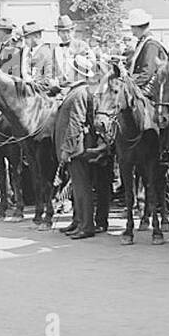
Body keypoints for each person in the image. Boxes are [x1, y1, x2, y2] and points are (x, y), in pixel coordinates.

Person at [56, 55, 107, 238]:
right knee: (76, 187)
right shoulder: (77, 91)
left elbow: (75, 123)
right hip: (76, 147)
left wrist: (67, 149)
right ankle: (78, 222)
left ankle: (86, 226)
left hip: (77, 148)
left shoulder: (79, 93)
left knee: (81, 187)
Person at [125, 8, 167, 91]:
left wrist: (129, 84)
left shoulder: (151, 45)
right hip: (142, 83)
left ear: (137, 27)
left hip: (150, 89)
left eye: (132, 28)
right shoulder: (143, 42)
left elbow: (147, 73)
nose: (132, 32)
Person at [52, 14, 91, 85]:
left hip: (79, 84)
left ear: (73, 31)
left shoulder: (81, 45)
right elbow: (53, 70)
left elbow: (88, 67)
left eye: (68, 31)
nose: (66, 35)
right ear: (58, 33)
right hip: (61, 86)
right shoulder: (56, 50)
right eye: (63, 32)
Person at [19, 21, 56, 90]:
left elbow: (48, 78)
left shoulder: (46, 52)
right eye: (24, 38)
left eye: (27, 38)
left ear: (37, 36)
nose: (25, 41)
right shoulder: (25, 51)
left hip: (39, 91)